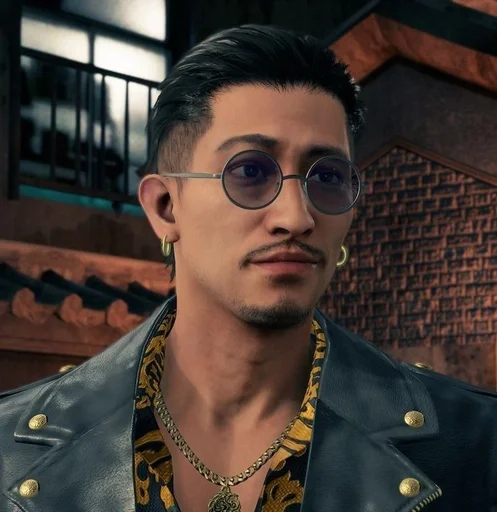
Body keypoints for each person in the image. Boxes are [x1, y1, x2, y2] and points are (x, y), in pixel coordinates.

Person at [0, 24, 496, 512]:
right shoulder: (11, 450)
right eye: (250, 172)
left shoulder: (475, 442)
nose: (296, 217)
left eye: (327, 177)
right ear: (166, 207)